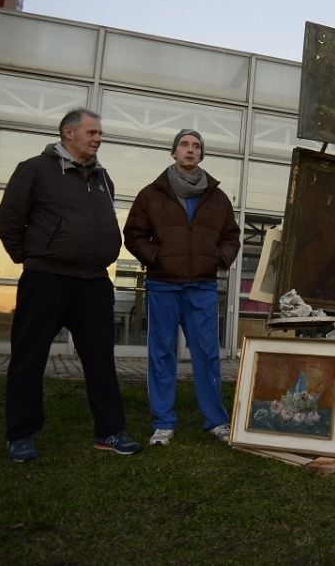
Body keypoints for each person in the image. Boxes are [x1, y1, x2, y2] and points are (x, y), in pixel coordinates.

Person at [0, 108, 141, 461]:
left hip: (93, 282)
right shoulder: (34, 169)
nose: (98, 138)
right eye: (91, 132)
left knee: (101, 359)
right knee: (29, 358)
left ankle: (109, 432)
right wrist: (36, 257)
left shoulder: (103, 177)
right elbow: (7, 222)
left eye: (100, 133)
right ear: (67, 133)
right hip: (47, 279)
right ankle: (21, 435)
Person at [123, 129, 240, 446]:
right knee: (161, 355)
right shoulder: (152, 194)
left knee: (207, 355)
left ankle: (216, 420)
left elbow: (232, 236)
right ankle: (163, 422)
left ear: (201, 155)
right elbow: (133, 234)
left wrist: (218, 259)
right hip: (163, 285)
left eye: (196, 146)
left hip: (201, 287)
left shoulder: (217, 197)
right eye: (184, 145)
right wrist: (156, 257)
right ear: (173, 152)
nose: (190, 150)